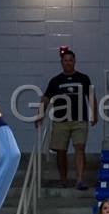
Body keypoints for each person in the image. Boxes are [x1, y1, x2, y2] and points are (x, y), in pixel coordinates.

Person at [36, 47, 97, 190]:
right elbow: (45, 99)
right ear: (61, 63)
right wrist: (40, 115)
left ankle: (80, 180)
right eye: (65, 61)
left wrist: (94, 113)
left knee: (80, 148)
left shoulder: (84, 78)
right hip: (60, 121)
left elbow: (91, 96)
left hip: (79, 120)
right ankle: (63, 179)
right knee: (60, 151)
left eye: (70, 60)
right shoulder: (55, 80)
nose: (68, 63)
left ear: (74, 62)